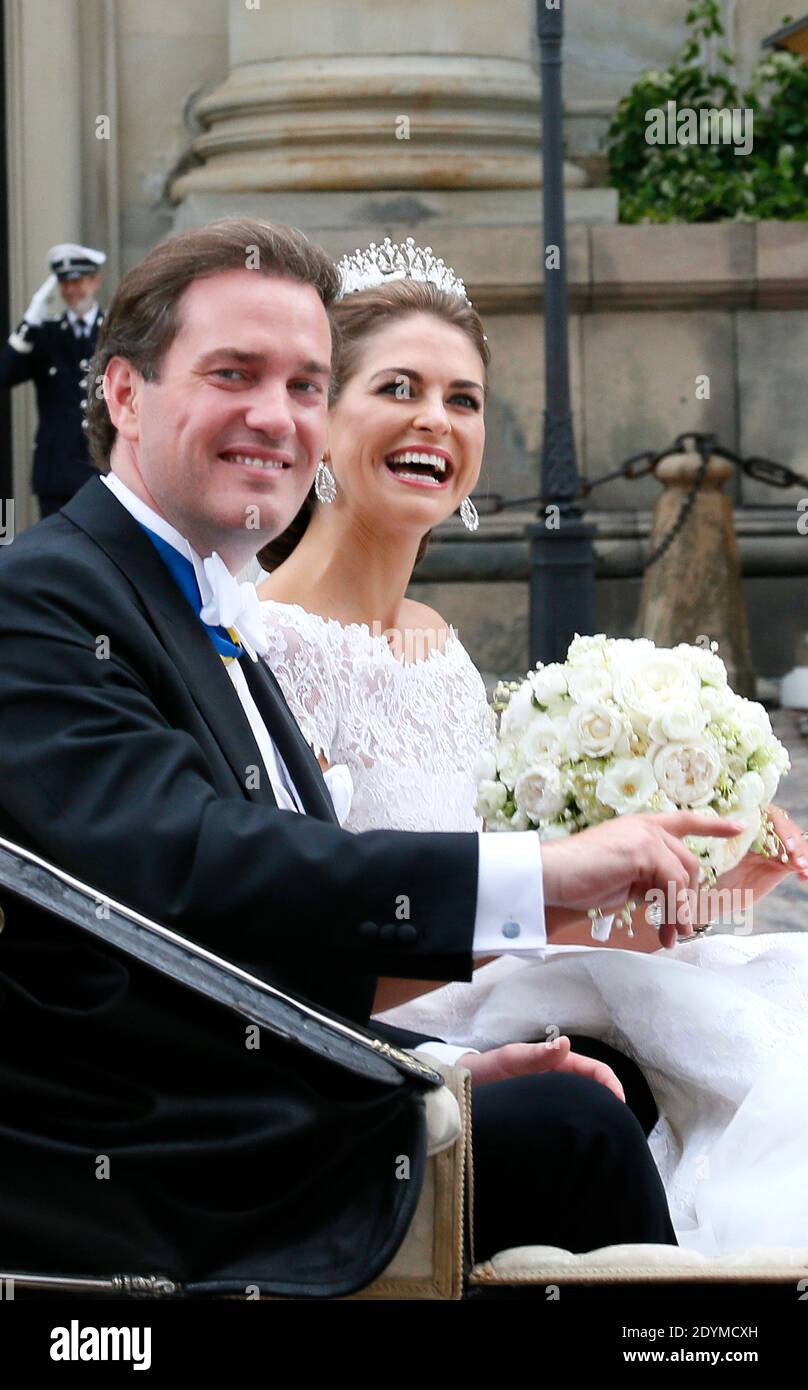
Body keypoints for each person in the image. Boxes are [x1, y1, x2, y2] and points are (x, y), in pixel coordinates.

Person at [0, 219, 740, 1297]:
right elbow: (195, 875)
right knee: (582, 1126)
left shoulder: (204, 610)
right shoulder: (49, 598)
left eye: (304, 383)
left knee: (605, 1083)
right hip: (156, 1158)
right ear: (123, 395)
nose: (276, 416)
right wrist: (541, 878)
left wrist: (430, 1068)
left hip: (259, 1091)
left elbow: (268, 942)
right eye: (233, 374)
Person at [255, 239, 808, 1257]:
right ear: (321, 419)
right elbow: (303, 935)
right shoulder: (262, 647)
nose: (436, 418)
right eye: (398, 388)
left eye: (462, 400)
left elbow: (535, 909)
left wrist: (724, 882)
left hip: (518, 992)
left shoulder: (440, 649)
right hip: (396, 1029)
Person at [0, 242, 106, 517]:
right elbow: (5, 373)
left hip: (102, 470)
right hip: (56, 472)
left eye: (79, 281)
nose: (72, 290)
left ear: (95, 281)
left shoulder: (113, 331)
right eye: (65, 283)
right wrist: (28, 324)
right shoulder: (45, 335)